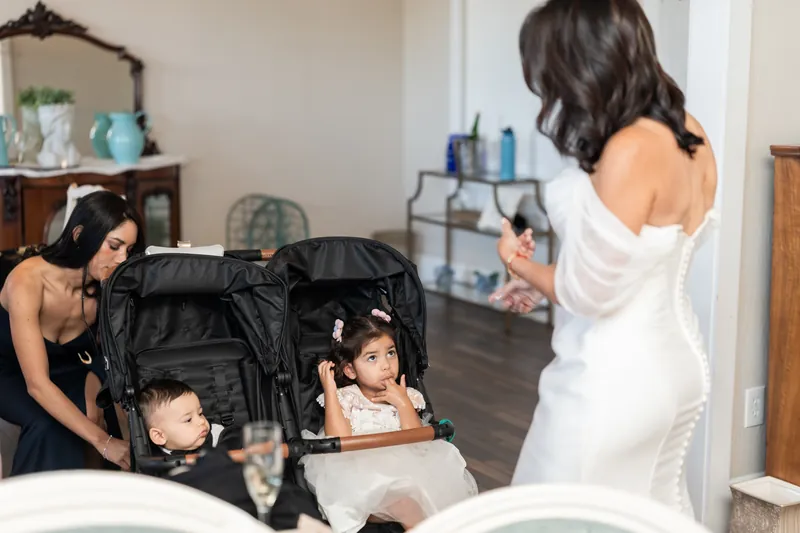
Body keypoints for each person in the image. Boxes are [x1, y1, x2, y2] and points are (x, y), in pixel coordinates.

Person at [489, 0, 718, 517]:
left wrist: (516, 262)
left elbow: (584, 293)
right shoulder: (690, 132)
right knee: (647, 512)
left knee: (552, 514)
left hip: (611, 377)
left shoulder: (629, 148)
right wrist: (542, 278)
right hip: (675, 364)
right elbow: (633, 261)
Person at [0, 190, 143, 475]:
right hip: (10, 373)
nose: (121, 259)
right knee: (48, 424)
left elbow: (110, 356)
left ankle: (107, 496)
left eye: (128, 250)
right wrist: (104, 442)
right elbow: (37, 384)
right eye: (114, 246)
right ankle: (34, 502)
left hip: (69, 368)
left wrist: (94, 384)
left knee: (102, 409)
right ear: (79, 235)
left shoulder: (105, 287)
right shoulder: (27, 281)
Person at [300, 310, 478, 533]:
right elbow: (339, 439)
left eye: (391, 353)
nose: (386, 365)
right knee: (408, 502)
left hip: (409, 468)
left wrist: (402, 403)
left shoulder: (407, 395)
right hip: (360, 474)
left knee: (439, 493)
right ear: (350, 370)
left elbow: (419, 441)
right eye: (372, 358)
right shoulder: (347, 398)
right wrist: (330, 390)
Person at [137, 378, 234, 454]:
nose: (201, 421)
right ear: (159, 436)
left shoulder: (219, 436)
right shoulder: (153, 459)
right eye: (188, 420)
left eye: (200, 413)